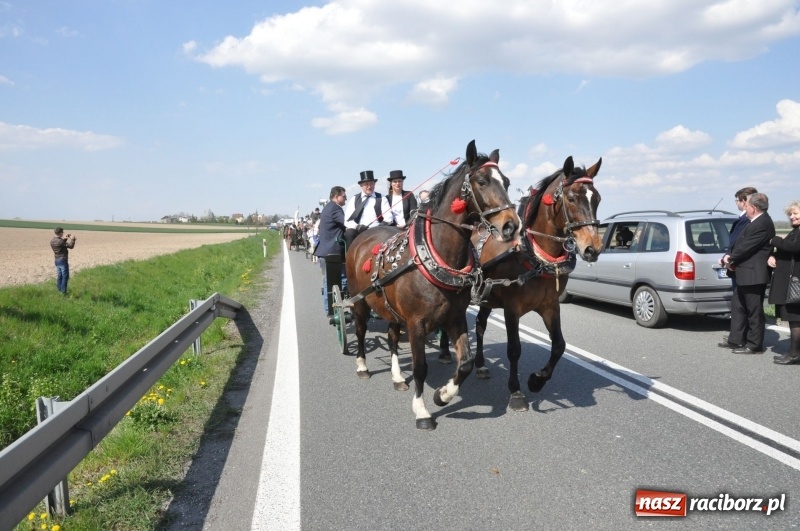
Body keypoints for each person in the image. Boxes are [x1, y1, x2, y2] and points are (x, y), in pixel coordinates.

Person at [719, 193, 775, 354]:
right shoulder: (753, 221)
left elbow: (747, 247)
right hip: (743, 272)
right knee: (738, 308)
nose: (745, 207)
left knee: (754, 311)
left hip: (753, 274)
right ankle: (736, 340)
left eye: (747, 205)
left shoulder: (763, 223)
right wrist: (732, 260)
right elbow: (739, 244)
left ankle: (754, 345)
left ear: (754, 207)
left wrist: (729, 259)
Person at [767, 200, 800, 364]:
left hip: (795, 283)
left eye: (795, 213)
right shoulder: (796, 230)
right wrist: (775, 255)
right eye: (790, 214)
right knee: (794, 319)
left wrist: (775, 240)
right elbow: (788, 249)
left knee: (795, 319)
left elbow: (795, 247)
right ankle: (793, 352)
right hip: (791, 282)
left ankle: (794, 354)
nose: (792, 217)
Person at [314, 186, 347, 313]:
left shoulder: (328, 207)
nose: (345, 199)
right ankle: (333, 310)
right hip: (333, 250)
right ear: (336, 197)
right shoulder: (335, 209)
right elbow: (346, 223)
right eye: (344, 196)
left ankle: (329, 309)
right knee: (340, 279)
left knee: (329, 280)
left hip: (325, 250)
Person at [343, 170, 389, 249]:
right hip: (358, 231)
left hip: (377, 230)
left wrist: (381, 225)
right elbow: (347, 220)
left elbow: (389, 216)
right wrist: (357, 227)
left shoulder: (381, 198)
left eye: (371, 184)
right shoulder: (354, 199)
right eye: (366, 184)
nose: (369, 186)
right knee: (349, 233)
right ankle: (349, 259)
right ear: (361, 185)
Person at [50, 227, 77, 296]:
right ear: (60, 233)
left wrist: (64, 239)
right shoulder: (60, 241)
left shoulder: (52, 240)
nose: (63, 233)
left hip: (57, 260)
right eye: (62, 232)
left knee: (60, 276)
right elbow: (70, 246)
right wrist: (73, 239)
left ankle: (59, 289)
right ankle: (63, 292)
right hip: (62, 260)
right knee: (65, 276)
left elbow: (61, 245)